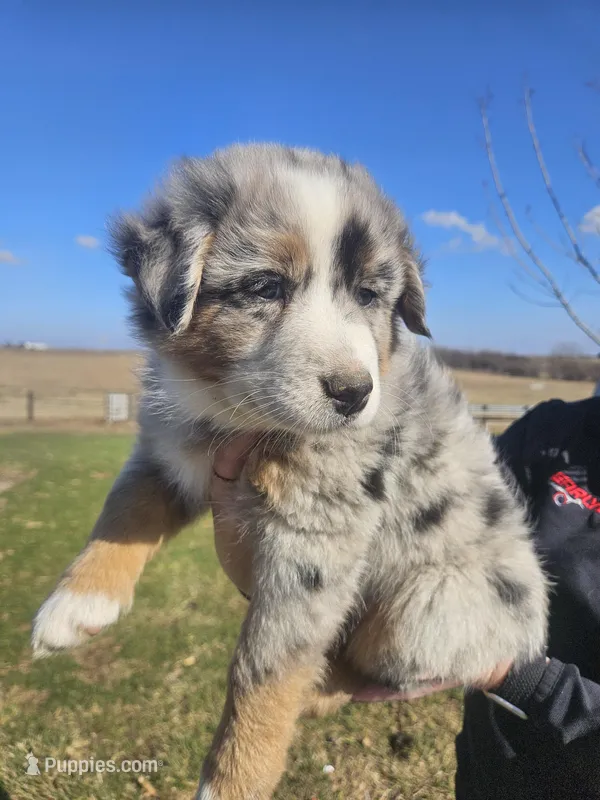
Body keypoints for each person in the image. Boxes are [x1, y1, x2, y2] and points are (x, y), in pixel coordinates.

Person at [210, 394, 600, 800]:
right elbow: (443, 517)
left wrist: (518, 677)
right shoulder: (551, 429)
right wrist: (282, 554)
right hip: (490, 771)